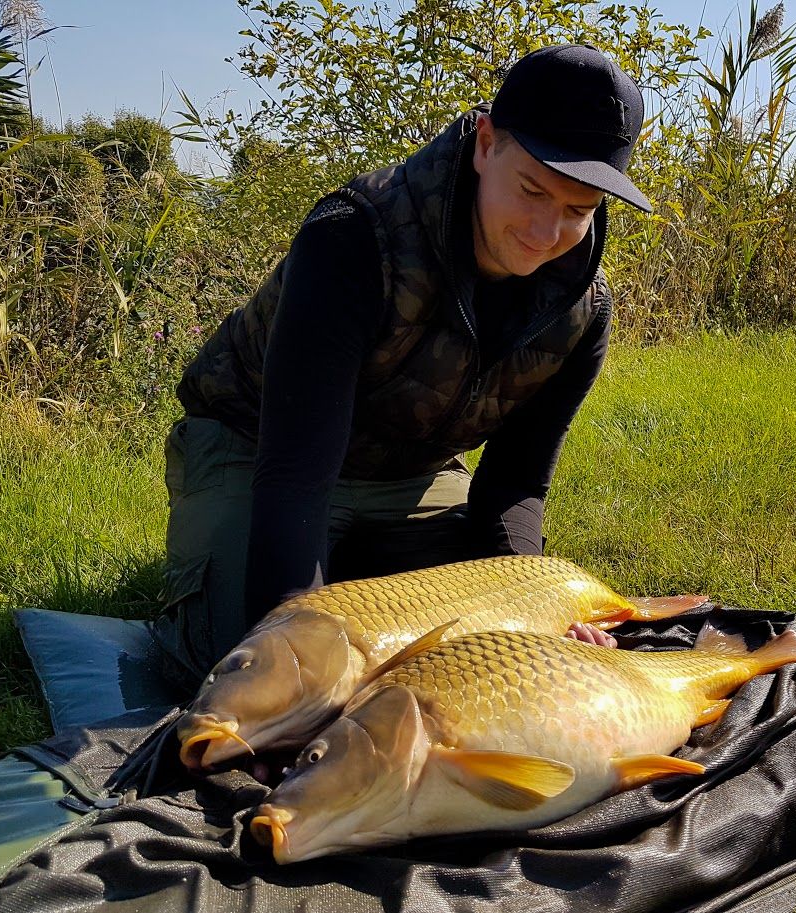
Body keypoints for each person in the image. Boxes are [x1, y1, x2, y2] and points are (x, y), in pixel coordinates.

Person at [154, 44, 653, 687]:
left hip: (411, 475)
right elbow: (294, 475)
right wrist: (294, 664)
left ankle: (358, 569)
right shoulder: (354, 239)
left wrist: (526, 608)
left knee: (478, 654)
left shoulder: (583, 311)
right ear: (484, 142)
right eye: (531, 190)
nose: (544, 230)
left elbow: (515, 485)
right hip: (255, 451)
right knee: (245, 666)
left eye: (578, 211)